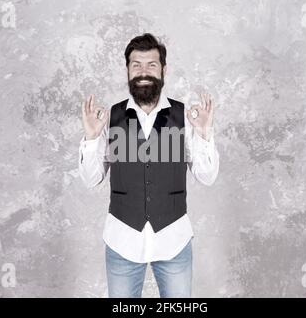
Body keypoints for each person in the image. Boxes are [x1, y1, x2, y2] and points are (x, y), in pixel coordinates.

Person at [78, 33, 219, 298]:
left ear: (164, 70)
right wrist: (91, 137)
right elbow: (91, 179)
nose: (144, 72)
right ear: (127, 70)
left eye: (151, 65)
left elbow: (207, 176)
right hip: (122, 242)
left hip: (174, 241)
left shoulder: (185, 116)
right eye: (136, 65)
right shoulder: (108, 118)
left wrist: (204, 135)